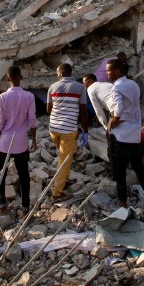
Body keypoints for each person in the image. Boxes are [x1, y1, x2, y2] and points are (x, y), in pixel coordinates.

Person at [106, 58, 144, 209]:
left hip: (121, 135)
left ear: (117, 71)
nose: (107, 73)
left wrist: (111, 124)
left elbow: (118, 110)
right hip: (134, 134)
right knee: (138, 166)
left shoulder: (116, 87)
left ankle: (122, 201)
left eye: (109, 70)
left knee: (119, 170)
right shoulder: (133, 84)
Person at [0, 66, 37, 214]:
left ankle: (2, 205)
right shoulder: (29, 96)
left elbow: (0, 121)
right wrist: (34, 140)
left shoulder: (2, 97)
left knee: (1, 174)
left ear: (7, 78)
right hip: (21, 143)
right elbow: (32, 120)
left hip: (4, 142)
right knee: (24, 175)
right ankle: (25, 207)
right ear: (21, 77)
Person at [47, 63, 88, 203]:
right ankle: (56, 194)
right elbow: (83, 111)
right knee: (64, 160)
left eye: (58, 73)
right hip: (68, 130)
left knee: (64, 157)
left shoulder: (52, 87)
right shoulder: (79, 87)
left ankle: (63, 180)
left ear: (62, 73)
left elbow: (48, 109)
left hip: (53, 129)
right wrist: (85, 130)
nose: (57, 75)